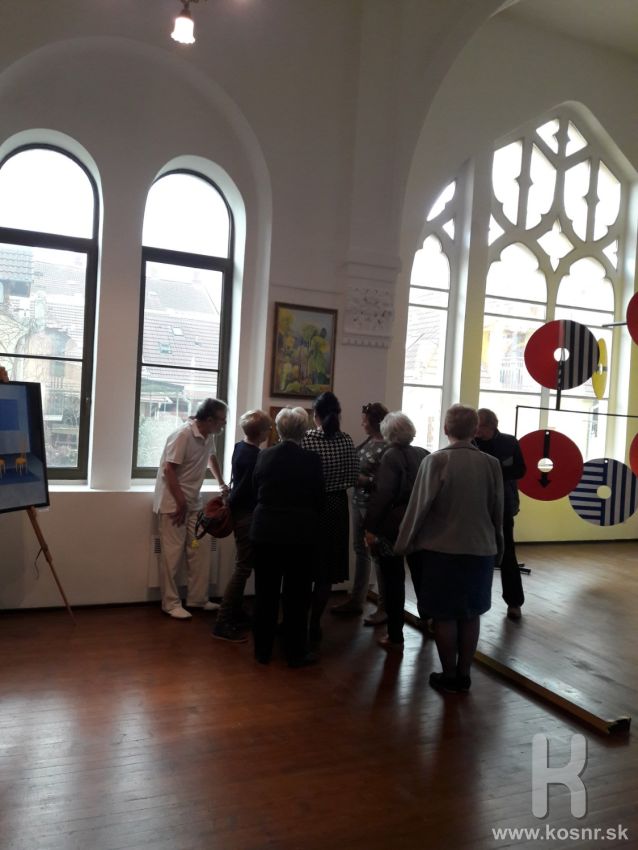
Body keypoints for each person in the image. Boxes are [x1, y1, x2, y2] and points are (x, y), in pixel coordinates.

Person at [395, 404, 503, 693]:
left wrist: (403, 543)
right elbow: (498, 511)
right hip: (480, 549)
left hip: (441, 551)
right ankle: (464, 675)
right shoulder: (491, 464)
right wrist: (499, 547)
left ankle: (448, 674)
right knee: (471, 614)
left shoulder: (436, 461)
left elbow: (418, 507)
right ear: (475, 430)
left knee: (444, 615)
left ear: (446, 429)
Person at [250, 407, 325, 666]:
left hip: (265, 532)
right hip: (299, 535)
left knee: (265, 593)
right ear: (304, 431)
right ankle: (294, 651)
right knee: (297, 596)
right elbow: (319, 498)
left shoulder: (264, 456)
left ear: (278, 430)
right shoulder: (311, 460)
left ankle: (262, 650)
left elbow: (256, 490)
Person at [153, 398, 229, 620]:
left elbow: (211, 458)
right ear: (209, 419)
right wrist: (180, 502)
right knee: (172, 555)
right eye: (222, 420)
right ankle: (170, 604)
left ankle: (198, 598)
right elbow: (169, 470)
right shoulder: (183, 435)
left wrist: (221, 484)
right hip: (173, 505)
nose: (224, 424)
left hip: (193, 503)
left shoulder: (208, 435)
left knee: (199, 549)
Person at [364, 412, 428, 649]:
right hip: (419, 523)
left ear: (388, 432)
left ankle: (395, 635)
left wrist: (370, 528)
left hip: (393, 526)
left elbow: (384, 495)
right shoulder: (422, 453)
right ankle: (428, 621)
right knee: (420, 575)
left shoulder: (391, 455)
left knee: (393, 580)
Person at [301, 392, 358, 644]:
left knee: (304, 569)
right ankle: (315, 623)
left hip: (311, 507)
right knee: (325, 573)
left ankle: (299, 621)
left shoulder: (307, 439)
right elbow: (354, 476)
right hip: (336, 507)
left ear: (315, 415)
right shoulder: (346, 440)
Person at [212, 409, 272, 643]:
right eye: (268, 429)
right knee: (243, 568)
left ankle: (235, 612)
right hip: (247, 514)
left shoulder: (239, 447)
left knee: (243, 564)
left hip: (239, 512)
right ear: (262, 433)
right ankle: (223, 621)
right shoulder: (257, 457)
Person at [332, 402, 389, 623]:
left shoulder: (387, 447)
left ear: (375, 422)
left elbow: (386, 482)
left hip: (373, 507)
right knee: (360, 550)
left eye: (365, 421)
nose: (362, 424)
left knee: (377, 554)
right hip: (358, 502)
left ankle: (384, 607)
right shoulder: (369, 441)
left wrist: (365, 480)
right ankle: (357, 599)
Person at [474, 408, 526, 620]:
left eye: (479, 425)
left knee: (508, 554)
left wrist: (494, 473)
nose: (476, 430)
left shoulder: (509, 442)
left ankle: (514, 602)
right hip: (477, 505)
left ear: (490, 426)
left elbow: (521, 470)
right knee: (475, 553)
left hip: (503, 504)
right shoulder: (471, 444)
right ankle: (476, 601)